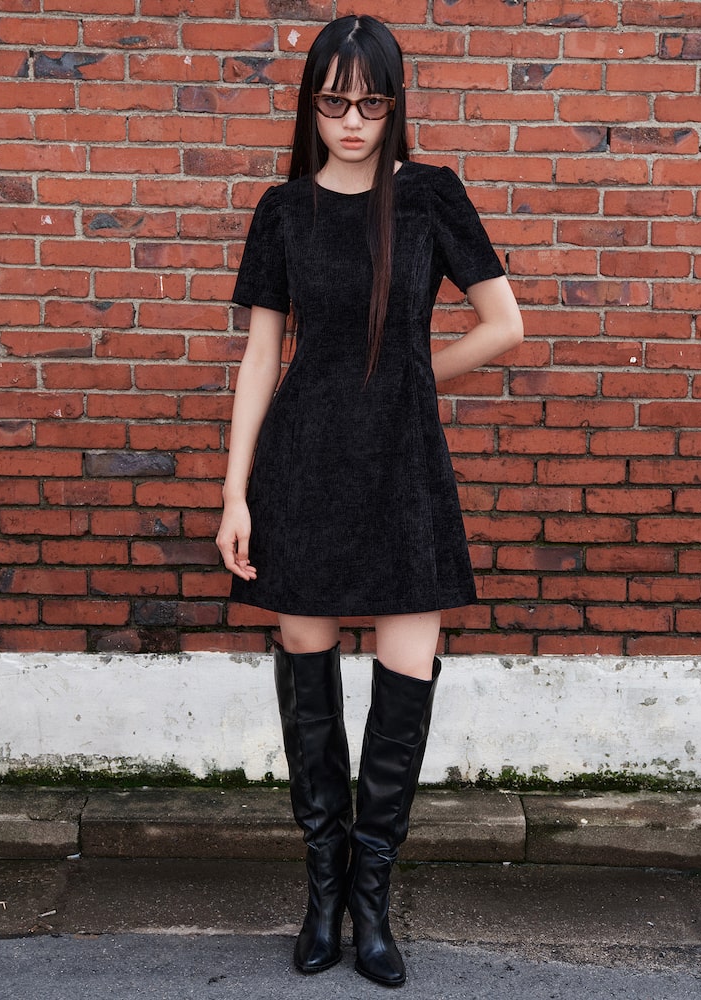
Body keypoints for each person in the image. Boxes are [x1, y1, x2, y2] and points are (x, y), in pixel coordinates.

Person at [216, 14, 524, 988]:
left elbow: (504, 324)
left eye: (371, 100)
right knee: (308, 680)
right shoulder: (285, 209)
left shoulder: (430, 199)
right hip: (302, 466)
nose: (352, 119)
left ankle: (372, 900)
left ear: (396, 102)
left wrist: (410, 373)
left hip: (401, 466)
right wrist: (235, 491)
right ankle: (322, 888)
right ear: (312, 103)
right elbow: (264, 352)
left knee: (405, 673)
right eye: (333, 100)